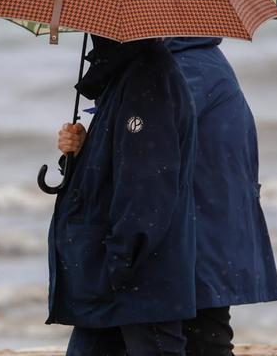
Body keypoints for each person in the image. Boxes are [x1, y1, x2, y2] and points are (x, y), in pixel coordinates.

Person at [59, 37, 277, 355]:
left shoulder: (173, 71)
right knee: (204, 340)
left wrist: (91, 145)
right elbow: (136, 134)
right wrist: (89, 143)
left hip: (187, 235)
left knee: (201, 341)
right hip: (201, 231)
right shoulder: (196, 62)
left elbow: (143, 137)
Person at [48, 35, 197, 356]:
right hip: (114, 272)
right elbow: (117, 166)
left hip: (139, 277)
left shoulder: (149, 76)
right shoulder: (125, 72)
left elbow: (147, 185)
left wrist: (120, 260)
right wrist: (80, 151)